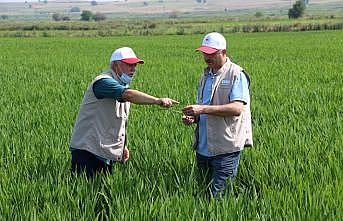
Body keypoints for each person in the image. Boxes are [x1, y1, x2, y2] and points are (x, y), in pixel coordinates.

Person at [70, 47, 178, 178]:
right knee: (86, 193)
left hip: (103, 150)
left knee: (101, 193)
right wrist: (157, 101)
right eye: (129, 65)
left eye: (135, 65)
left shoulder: (121, 85)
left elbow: (117, 120)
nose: (133, 69)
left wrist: (122, 146)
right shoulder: (103, 82)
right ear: (115, 65)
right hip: (88, 151)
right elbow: (128, 95)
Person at [182, 32, 253, 197]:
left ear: (224, 52)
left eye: (212, 53)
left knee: (218, 198)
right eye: (204, 53)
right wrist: (194, 117)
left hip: (225, 148)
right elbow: (204, 109)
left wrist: (203, 109)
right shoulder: (205, 76)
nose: (207, 57)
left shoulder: (236, 74)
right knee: (203, 194)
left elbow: (236, 108)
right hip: (203, 148)